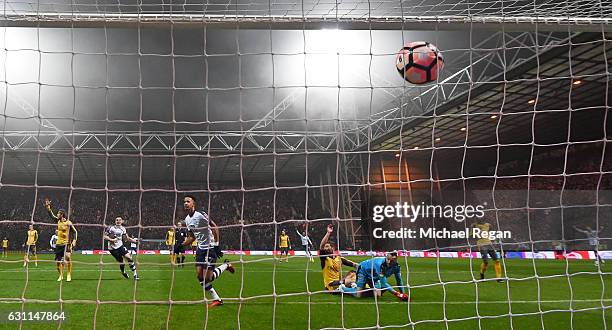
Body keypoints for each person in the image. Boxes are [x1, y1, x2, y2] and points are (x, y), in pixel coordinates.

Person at [182, 195, 234, 309]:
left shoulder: (201, 214)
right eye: (184, 201)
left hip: (210, 248)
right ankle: (217, 299)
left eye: (188, 201)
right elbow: (192, 237)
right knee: (200, 277)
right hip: (200, 249)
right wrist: (181, 245)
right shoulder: (187, 219)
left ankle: (226, 265)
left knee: (208, 278)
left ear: (193, 204)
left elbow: (215, 227)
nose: (185, 203)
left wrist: (216, 245)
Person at [44, 198, 78, 282]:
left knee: (68, 258)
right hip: (58, 244)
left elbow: (75, 232)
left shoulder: (68, 223)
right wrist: (48, 207)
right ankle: (61, 275)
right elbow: (51, 215)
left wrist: (74, 240)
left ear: (62, 214)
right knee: (58, 263)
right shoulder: (58, 221)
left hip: (67, 244)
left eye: (58, 213)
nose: (57, 214)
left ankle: (69, 274)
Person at [319, 224, 359, 293]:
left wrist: (364, 268)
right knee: (349, 281)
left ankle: (345, 287)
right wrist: (328, 233)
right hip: (330, 284)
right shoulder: (324, 259)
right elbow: (321, 246)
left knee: (353, 273)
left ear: (333, 248)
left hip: (339, 281)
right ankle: (349, 286)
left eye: (327, 246)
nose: (326, 248)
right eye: (325, 247)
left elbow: (354, 264)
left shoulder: (339, 258)